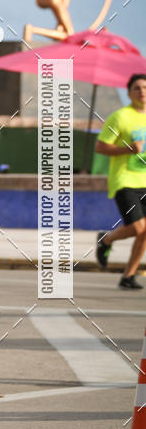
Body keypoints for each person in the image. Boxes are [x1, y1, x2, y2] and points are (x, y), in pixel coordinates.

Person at [95, 73, 146, 289]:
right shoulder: (120, 117)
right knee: (137, 227)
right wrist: (128, 149)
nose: (142, 92)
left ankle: (128, 277)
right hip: (125, 180)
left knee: (145, 231)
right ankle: (106, 240)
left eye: (145, 87)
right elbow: (100, 147)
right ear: (129, 93)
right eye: (137, 88)